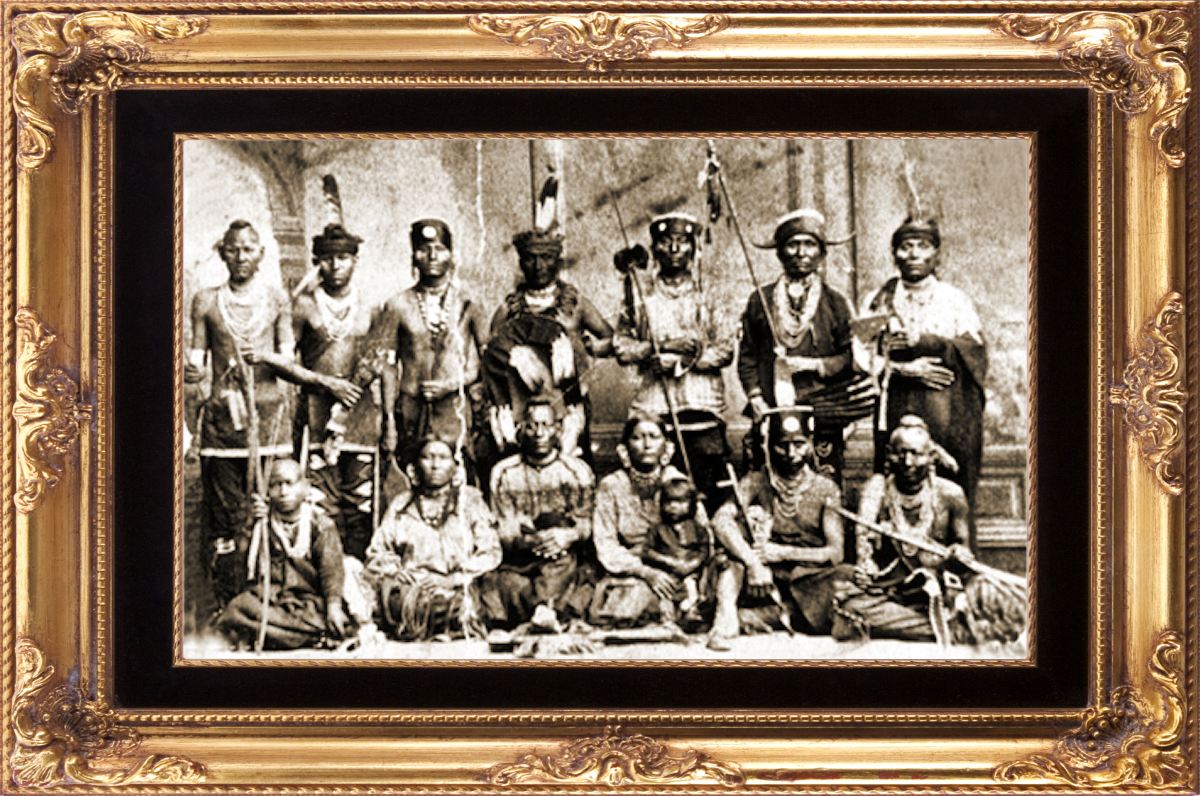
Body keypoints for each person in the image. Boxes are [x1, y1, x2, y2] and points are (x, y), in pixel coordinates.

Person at [248, 223, 386, 560]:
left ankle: (357, 574)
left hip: (360, 416)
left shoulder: (371, 306)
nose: (335, 265)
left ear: (355, 261)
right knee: (322, 500)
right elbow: (284, 363)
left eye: (343, 257)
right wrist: (326, 383)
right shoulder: (303, 306)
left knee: (361, 501)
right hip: (315, 414)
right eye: (327, 258)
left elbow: (382, 360)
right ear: (316, 262)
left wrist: (386, 416)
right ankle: (327, 572)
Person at [185, 220, 295, 610]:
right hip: (223, 427)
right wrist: (192, 373)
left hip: (270, 425)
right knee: (225, 518)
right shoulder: (206, 301)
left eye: (248, 248)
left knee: (274, 507)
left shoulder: (276, 299)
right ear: (222, 253)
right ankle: (228, 602)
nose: (240, 256)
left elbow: (289, 361)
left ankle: (274, 597)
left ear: (260, 254)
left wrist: (265, 357)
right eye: (233, 249)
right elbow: (197, 360)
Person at [857, 216, 987, 541]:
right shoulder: (878, 300)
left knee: (946, 480)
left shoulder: (954, 300)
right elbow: (859, 356)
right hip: (897, 404)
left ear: (936, 255)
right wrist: (904, 370)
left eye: (923, 246)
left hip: (946, 410)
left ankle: (952, 557)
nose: (914, 254)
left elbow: (975, 352)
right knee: (898, 476)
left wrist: (928, 342)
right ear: (894, 254)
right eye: (906, 246)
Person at [612, 213, 734, 511]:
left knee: (706, 480)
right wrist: (656, 350)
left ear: (694, 247)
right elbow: (621, 347)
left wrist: (681, 363)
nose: (675, 249)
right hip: (653, 402)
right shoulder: (640, 294)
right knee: (653, 477)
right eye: (666, 242)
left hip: (702, 401)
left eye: (682, 242)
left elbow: (725, 349)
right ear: (655, 249)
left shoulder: (710, 293)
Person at [832, 415, 985, 644]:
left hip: (936, 588)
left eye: (917, 454)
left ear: (931, 456)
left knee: (983, 596)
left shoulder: (950, 494)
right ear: (888, 454)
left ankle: (933, 623)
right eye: (900, 453)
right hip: (890, 590)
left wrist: (958, 554)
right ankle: (943, 628)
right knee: (849, 604)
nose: (908, 462)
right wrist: (866, 569)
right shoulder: (876, 490)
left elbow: (964, 549)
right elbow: (864, 551)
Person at [711, 406, 854, 647]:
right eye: (782, 445)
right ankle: (727, 616)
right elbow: (720, 520)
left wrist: (782, 553)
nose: (791, 453)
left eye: (799, 444)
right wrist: (753, 563)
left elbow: (835, 553)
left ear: (811, 443)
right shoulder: (756, 481)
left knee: (846, 577)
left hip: (807, 577)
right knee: (726, 562)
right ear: (768, 446)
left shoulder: (825, 488)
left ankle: (766, 616)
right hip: (763, 574)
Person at [739, 209, 854, 480]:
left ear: (822, 252)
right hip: (772, 410)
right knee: (770, 482)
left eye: (810, 244)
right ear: (780, 252)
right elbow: (747, 355)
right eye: (793, 245)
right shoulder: (760, 300)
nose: (801, 253)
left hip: (822, 412)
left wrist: (812, 365)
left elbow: (851, 358)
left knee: (823, 483)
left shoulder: (835, 303)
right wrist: (755, 397)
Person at [485, 229, 612, 463]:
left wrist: (581, 348)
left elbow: (608, 340)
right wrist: (515, 355)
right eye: (530, 258)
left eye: (546, 258)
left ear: (557, 262)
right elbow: (490, 355)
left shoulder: (576, 304)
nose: (538, 266)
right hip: (522, 407)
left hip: (568, 402)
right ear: (521, 263)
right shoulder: (508, 308)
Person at [361, 435, 502, 641]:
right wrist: (398, 571)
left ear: (455, 466)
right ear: (415, 467)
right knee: (393, 599)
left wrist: (450, 580)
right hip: (415, 588)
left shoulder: (470, 501)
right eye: (427, 457)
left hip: (458, 585)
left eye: (443, 458)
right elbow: (377, 551)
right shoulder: (402, 504)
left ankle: (449, 622)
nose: (435, 465)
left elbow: (490, 552)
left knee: (469, 603)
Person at [379, 219, 489, 477]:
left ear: (451, 255)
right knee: (411, 473)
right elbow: (387, 366)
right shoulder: (397, 305)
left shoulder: (469, 302)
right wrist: (389, 419)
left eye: (439, 249)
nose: (431, 256)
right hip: (411, 408)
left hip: (454, 408)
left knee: (458, 473)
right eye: (423, 249)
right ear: (413, 256)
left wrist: (452, 384)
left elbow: (488, 362)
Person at [479, 399, 596, 630]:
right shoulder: (504, 472)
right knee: (502, 581)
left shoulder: (577, 471)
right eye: (532, 426)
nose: (539, 433)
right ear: (521, 429)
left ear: (558, 429)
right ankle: (546, 612)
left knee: (567, 568)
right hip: (520, 558)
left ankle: (541, 612)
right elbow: (501, 526)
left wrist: (568, 536)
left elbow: (588, 521)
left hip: (562, 557)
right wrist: (528, 540)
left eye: (546, 425)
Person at [217, 459, 351, 650]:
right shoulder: (263, 523)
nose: (283, 491)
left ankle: (274, 636)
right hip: (271, 600)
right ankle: (304, 636)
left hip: (309, 602)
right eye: (275, 485)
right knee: (237, 608)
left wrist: (333, 605)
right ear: (268, 491)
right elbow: (243, 567)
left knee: (326, 616)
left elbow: (331, 571)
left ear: (305, 487)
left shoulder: (321, 525)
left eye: (289, 483)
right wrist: (250, 525)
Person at [588, 412, 692, 628]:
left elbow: (698, 535)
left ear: (666, 447)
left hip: (674, 565)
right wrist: (644, 572)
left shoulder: (677, 482)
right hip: (631, 568)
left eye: (654, 437)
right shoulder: (611, 485)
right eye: (637, 438)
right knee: (629, 600)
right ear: (624, 448)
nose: (647, 445)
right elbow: (605, 543)